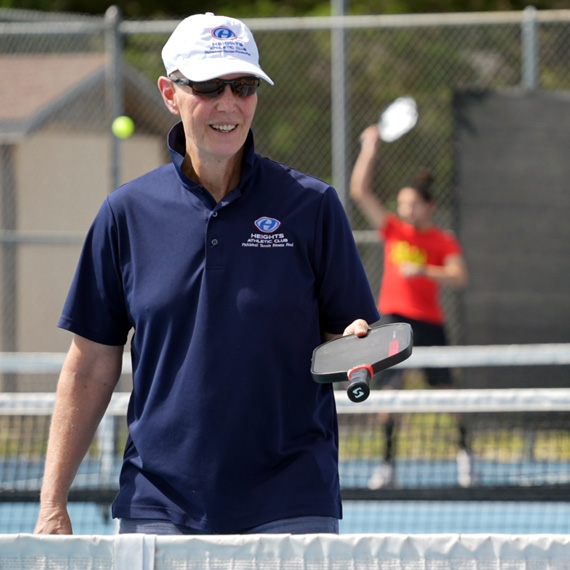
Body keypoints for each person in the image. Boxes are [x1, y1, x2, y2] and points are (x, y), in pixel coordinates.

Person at [34, 13, 380, 536]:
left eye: (243, 86)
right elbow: (88, 368)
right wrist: (52, 503)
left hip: (292, 502)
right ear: (170, 93)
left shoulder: (313, 206)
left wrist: (357, 347)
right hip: (159, 509)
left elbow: (348, 337)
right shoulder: (125, 214)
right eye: (208, 86)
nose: (228, 103)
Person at [350, 124, 471, 489]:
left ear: (428, 206)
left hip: (429, 323)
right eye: (402, 204)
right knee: (389, 395)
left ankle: (465, 454)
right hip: (393, 319)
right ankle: (387, 465)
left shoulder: (441, 240)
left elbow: (459, 276)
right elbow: (359, 191)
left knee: (449, 394)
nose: (405, 209)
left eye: (412, 204)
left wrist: (425, 269)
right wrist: (370, 147)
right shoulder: (393, 231)